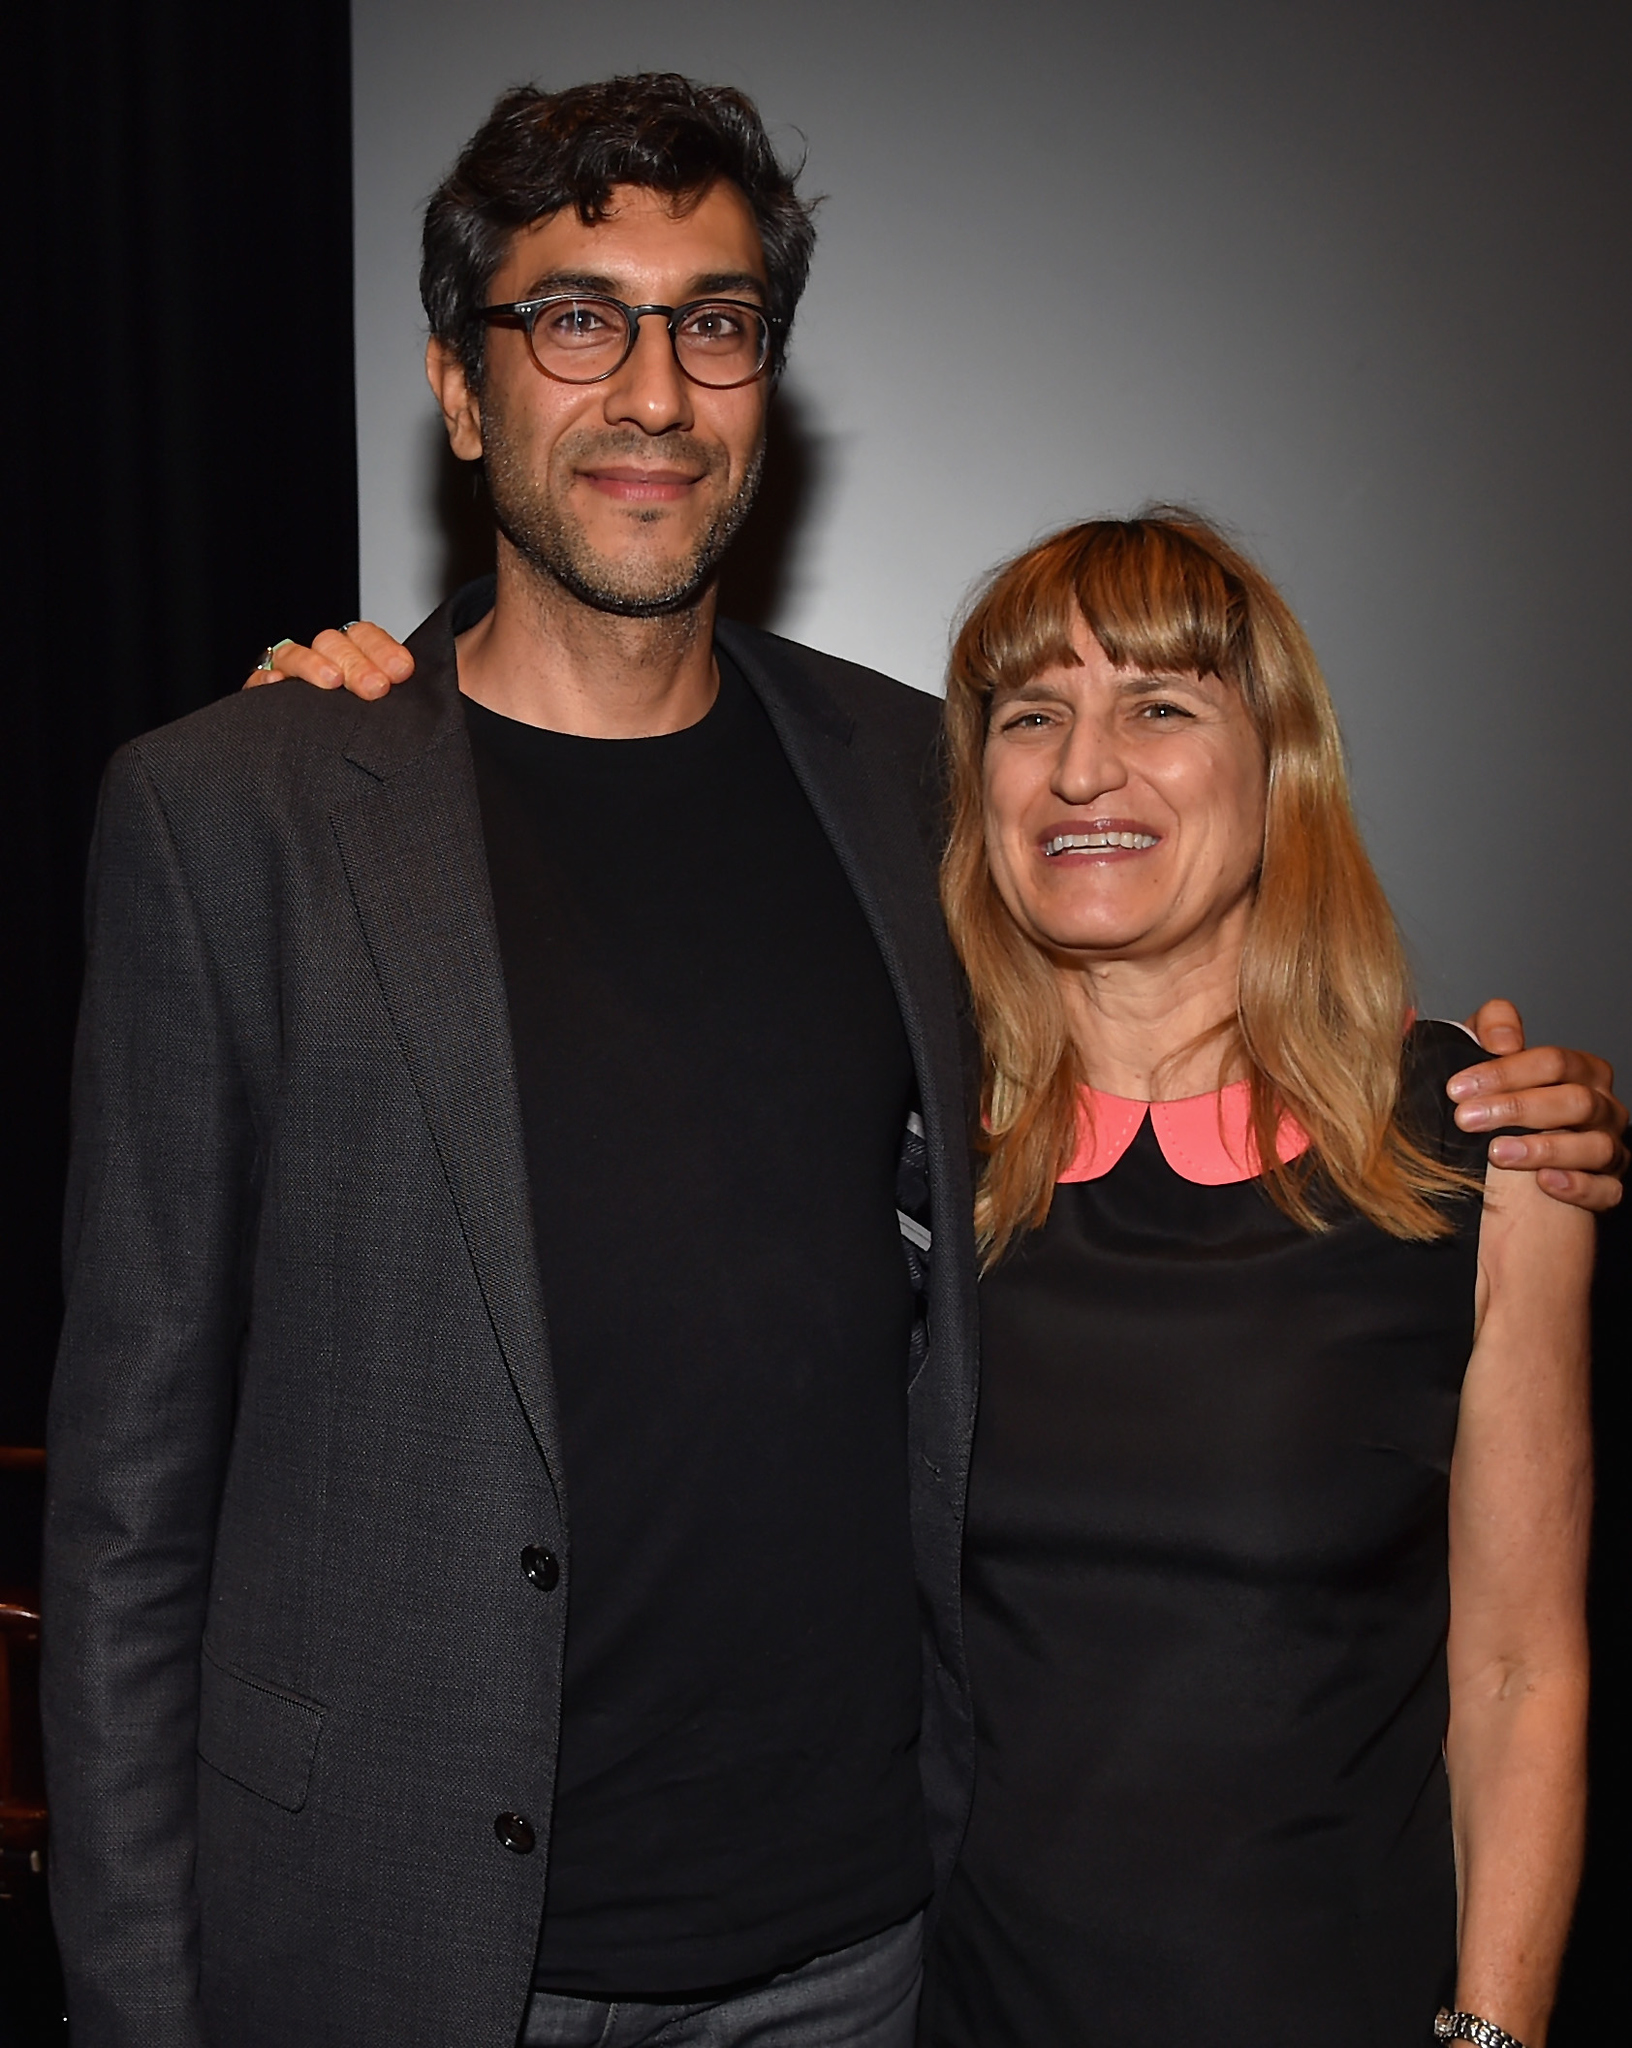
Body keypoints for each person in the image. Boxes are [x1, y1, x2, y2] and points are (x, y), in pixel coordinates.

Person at [45, 72, 1619, 2048]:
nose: (650, 390)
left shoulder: (902, 785)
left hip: (854, 1960)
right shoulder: (250, 811)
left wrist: (1517, 1111)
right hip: (409, 1945)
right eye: (575, 317)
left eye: (711, 324)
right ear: (463, 391)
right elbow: (126, 1503)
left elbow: (1196, 985)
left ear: (761, 387)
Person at [913, 510, 1594, 2048]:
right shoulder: (902, 1160)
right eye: (1033, 716)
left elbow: (1515, 1674)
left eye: (1160, 704)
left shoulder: (1482, 1150)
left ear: (1276, 764)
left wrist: (1494, 2036)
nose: (1086, 769)